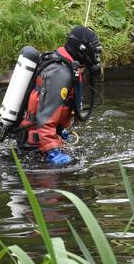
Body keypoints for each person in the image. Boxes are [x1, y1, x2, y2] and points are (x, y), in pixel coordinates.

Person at [17, 26, 102, 166]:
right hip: (34, 149)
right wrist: (53, 151)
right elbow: (44, 119)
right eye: (96, 52)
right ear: (83, 49)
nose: (97, 57)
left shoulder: (66, 66)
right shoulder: (59, 73)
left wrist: (60, 132)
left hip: (38, 142)